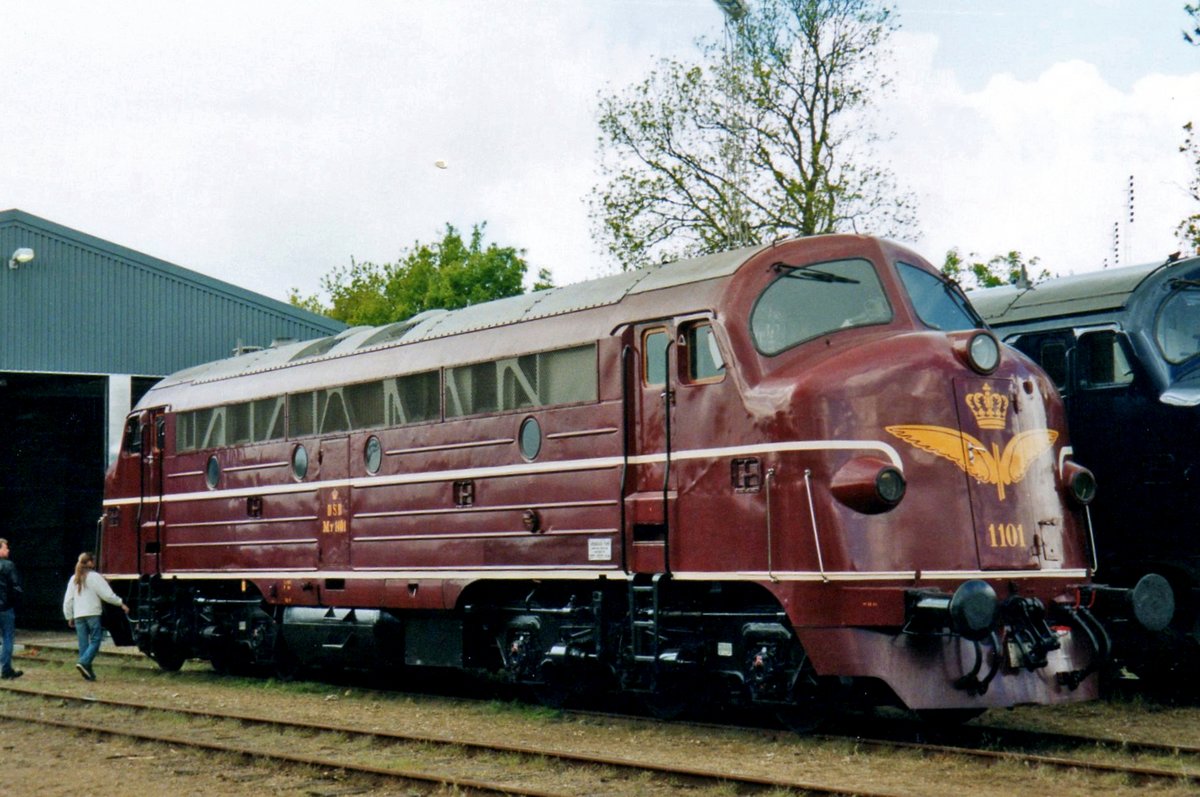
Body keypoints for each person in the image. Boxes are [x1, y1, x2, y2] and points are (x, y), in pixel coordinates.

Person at [62, 552, 129, 681]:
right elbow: (107, 595)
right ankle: (84, 663)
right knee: (95, 640)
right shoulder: (95, 577)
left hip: (78, 615)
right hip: (92, 613)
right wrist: (121, 603)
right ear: (91, 563)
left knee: (83, 644)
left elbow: (68, 600)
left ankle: (87, 673)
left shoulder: (73, 579)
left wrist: (69, 615)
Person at [0, 538, 22, 680]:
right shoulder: (8, 565)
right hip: (5, 607)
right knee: (8, 637)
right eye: (5, 547)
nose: (8, 550)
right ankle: (5, 668)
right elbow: (15, 586)